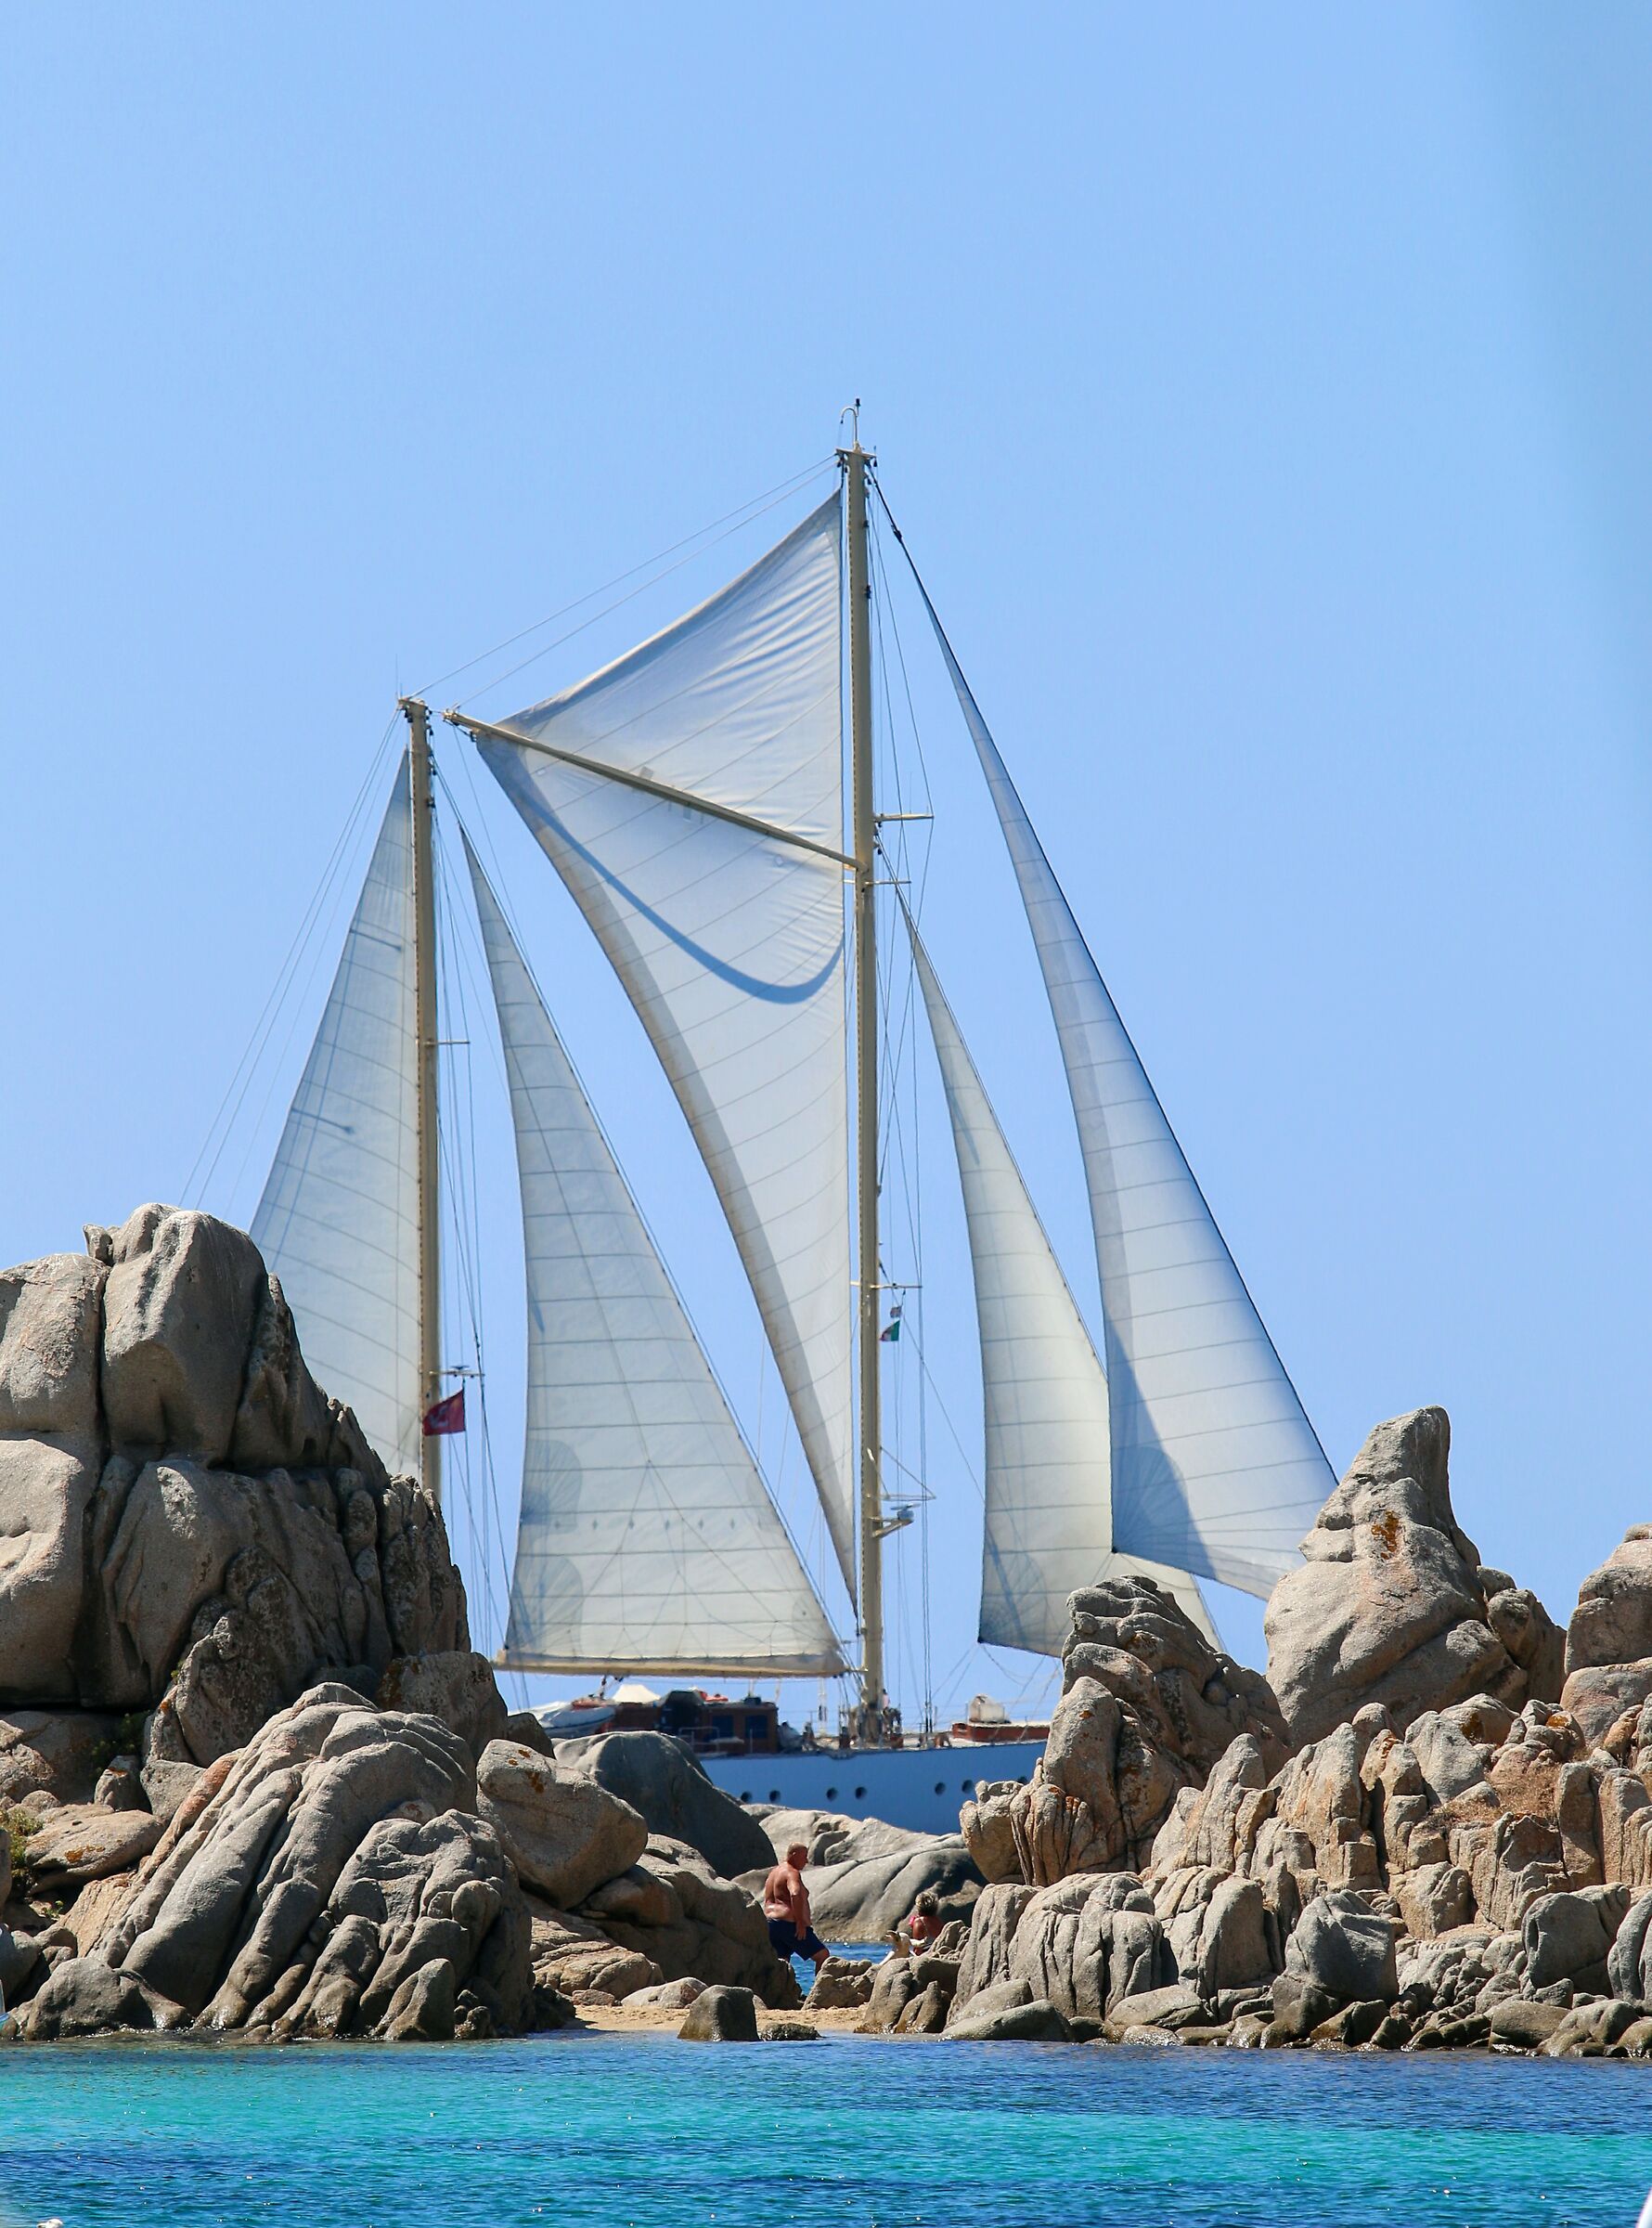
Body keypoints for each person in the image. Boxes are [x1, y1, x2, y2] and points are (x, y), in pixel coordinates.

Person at [764, 1841, 830, 1975]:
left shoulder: (774, 1873)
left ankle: (779, 1988)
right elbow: (795, 1893)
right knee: (822, 1955)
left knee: (783, 1963)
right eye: (804, 1856)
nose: (806, 1861)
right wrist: (800, 1922)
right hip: (789, 1924)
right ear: (793, 1855)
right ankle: (820, 1988)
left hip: (770, 1923)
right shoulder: (791, 1872)